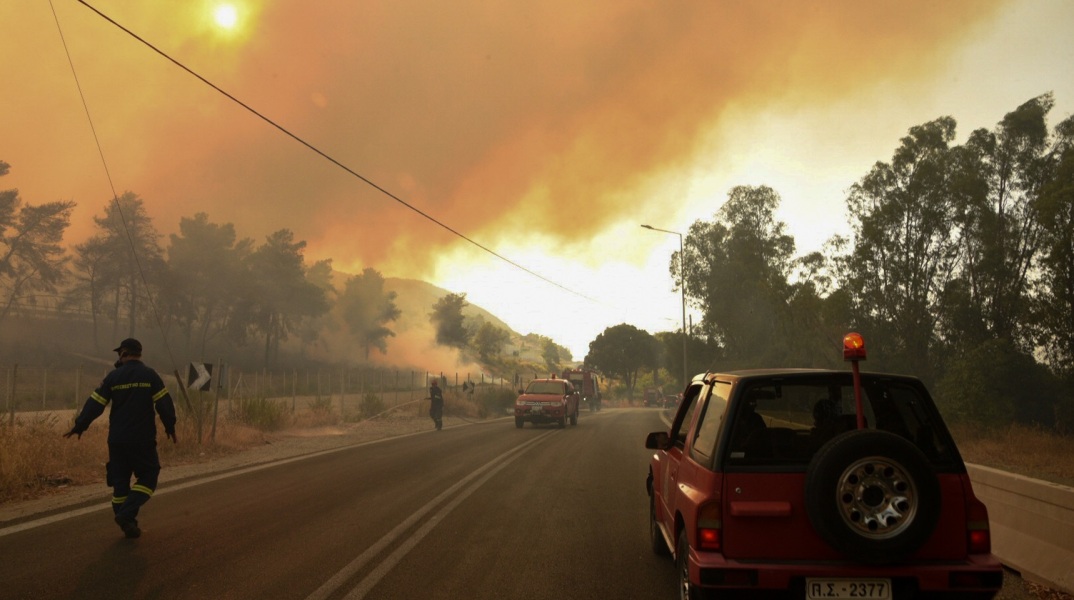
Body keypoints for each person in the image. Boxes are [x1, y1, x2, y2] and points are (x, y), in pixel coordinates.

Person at [64, 338, 177, 539]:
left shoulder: (113, 377)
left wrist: (80, 425)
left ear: (124, 353)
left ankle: (127, 523)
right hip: (142, 439)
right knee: (149, 475)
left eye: (119, 354)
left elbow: (95, 403)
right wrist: (170, 426)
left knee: (120, 484)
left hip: (117, 441)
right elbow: (164, 404)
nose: (118, 358)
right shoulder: (150, 375)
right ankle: (126, 515)